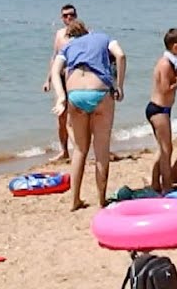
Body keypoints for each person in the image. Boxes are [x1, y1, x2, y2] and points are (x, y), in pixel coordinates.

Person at [50, 19, 126, 211]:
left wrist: (61, 97)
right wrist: (119, 86)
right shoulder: (103, 37)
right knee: (101, 149)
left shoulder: (67, 46)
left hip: (75, 95)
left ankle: (75, 200)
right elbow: (121, 55)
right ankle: (101, 200)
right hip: (100, 92)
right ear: (88, 31)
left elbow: (55, 70)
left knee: (80, 150)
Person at [148, 28, 177, 194]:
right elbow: (166, 89)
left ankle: (155, 182)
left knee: (162, 148)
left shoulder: (170, 62)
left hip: (161, 109)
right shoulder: (166, 64)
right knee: (167, 149)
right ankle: (167, 186)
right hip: (159, 110)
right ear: (176, 47)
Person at [43, 3, 79, 161]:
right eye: (65, 15)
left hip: (76, 77)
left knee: (76, 116)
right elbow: (55, 57)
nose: (68, 17)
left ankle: (79, 149)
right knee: (61, 116)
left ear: (76, 15)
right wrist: (48, 79)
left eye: (71, 14)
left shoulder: (82, 33)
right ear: (61, 18)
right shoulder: (59, 34)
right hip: (61, 77)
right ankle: (64, 151)